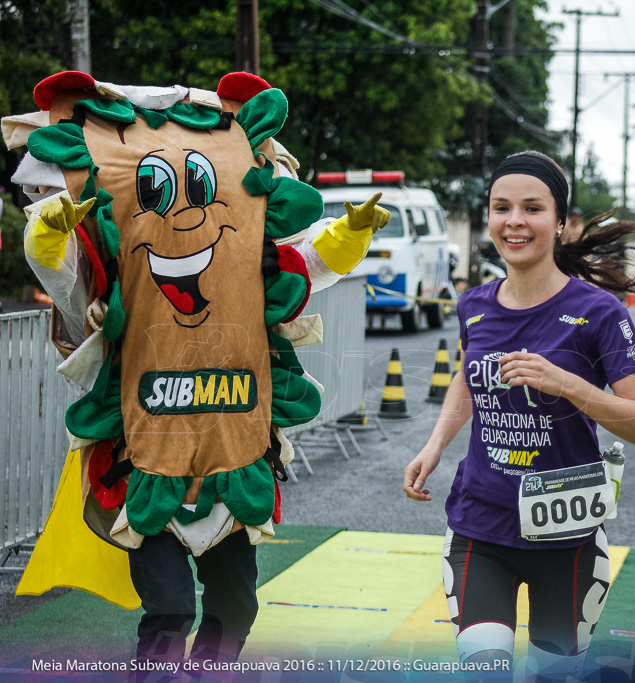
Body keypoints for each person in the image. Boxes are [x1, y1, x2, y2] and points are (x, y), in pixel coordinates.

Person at [4, 71, 390, 673]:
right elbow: (71, 282)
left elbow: (306, 264)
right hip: (145, 460)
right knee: (170, 610)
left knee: (237, 607)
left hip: (231, 460)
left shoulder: (254, 261)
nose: (185, 216)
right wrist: (47, 240)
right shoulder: (120, 274)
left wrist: (347, 234)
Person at [402, 151, 635, 681]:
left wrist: (564, 382)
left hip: (567, 540)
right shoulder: (474, 304)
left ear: (561, 224)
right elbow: (467, 379)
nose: (514, 221)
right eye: (502, 208)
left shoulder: (600, 312)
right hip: (480, 527)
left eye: (532, 208)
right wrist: (434, 446)